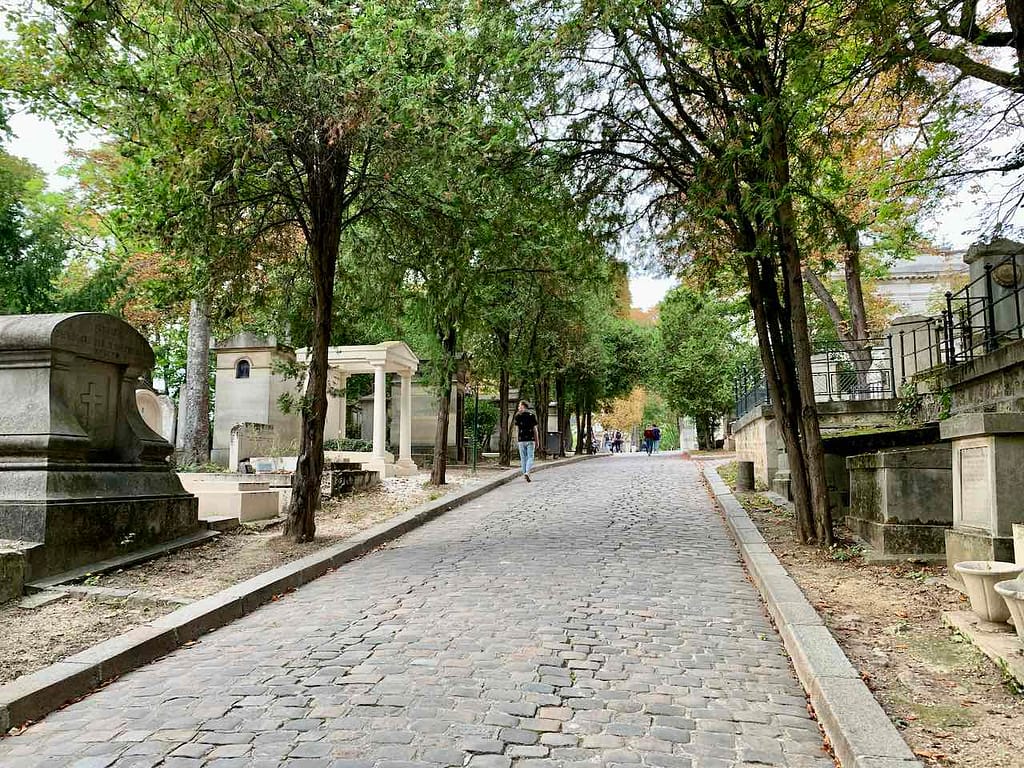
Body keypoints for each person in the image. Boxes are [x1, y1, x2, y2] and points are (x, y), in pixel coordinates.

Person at [512, 399, 539, 482]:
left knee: (523, 458)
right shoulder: (532, 415)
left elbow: (517, 429)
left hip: (521, 440)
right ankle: (527, 472)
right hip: (530, 439)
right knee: (530, 457)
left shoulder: (517, 416)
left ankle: (525, 473)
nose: (518, 407)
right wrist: (537, 440)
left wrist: (517, 438)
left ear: (523, 406)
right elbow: (535, 429)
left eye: (519, 406)